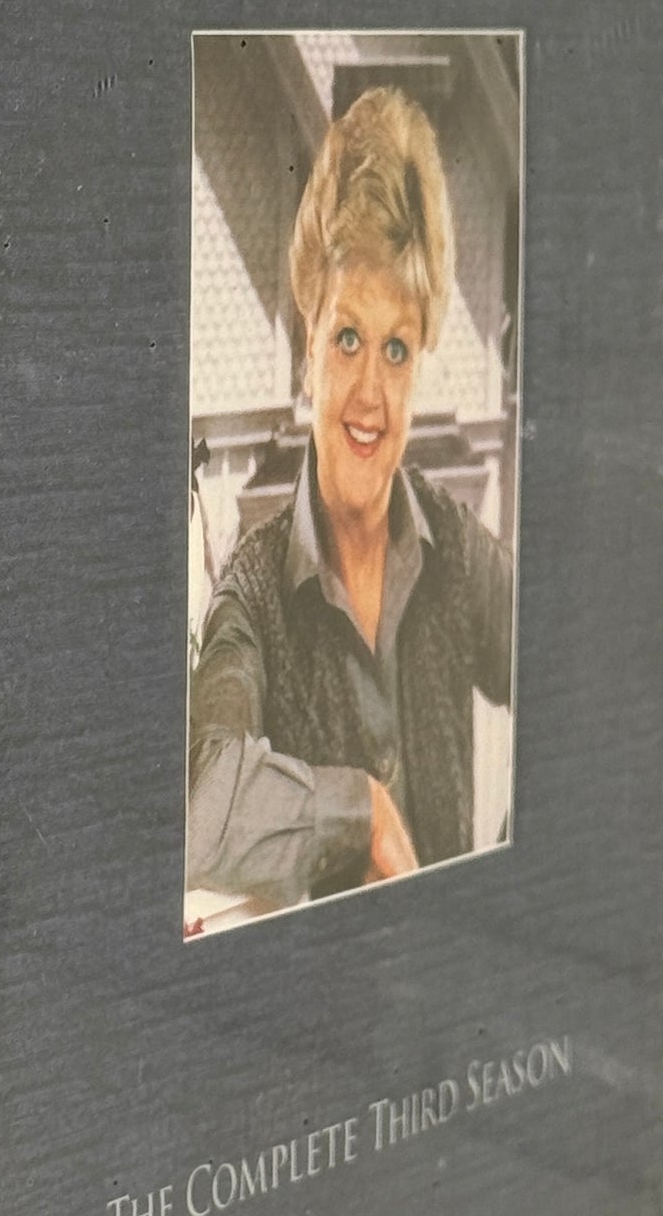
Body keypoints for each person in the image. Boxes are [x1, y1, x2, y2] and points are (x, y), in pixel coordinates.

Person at [187, 85, 513, 909]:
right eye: (348, 338)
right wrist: (357, 812)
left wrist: (520, 858)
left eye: (397, 348)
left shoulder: (457, 543)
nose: (370, 391)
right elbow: (196, 803)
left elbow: (584, 669)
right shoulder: (252, 592)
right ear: (309, 352)